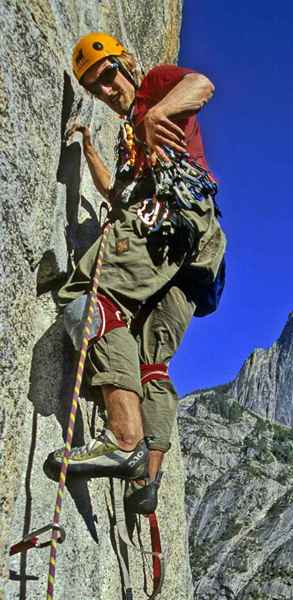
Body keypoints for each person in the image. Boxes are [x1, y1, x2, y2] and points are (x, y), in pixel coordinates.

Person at [44, 32, 226, 514]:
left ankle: (125, 440)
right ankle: (147, 479)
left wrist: (158, 112)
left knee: (92, 295)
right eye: (93, 87)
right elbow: (117, 193)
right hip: (195, 253)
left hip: (171, 216)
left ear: (125, 63)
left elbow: (202, 84)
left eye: (107, 75)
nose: (106, 89)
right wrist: (86, 146)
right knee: (149, 358)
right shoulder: (130, 141)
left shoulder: (155, 88)